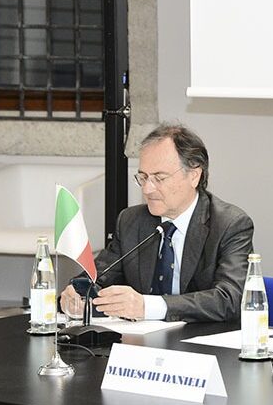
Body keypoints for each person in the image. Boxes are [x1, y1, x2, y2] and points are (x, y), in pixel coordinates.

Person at [59, 123, 253, 322]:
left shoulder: (230, 224)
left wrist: (148, 306)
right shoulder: (131, 221)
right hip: (140, 338)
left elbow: (230, 299)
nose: (147, 189)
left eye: (159, 178)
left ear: (194, 175)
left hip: (202, 338)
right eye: (143, 177)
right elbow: (99, 277)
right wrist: (76, 294)